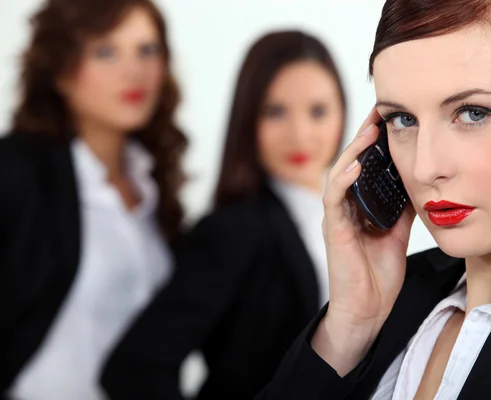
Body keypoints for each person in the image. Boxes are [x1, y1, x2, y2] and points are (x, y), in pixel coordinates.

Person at [254, 0, 491, 399]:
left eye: (472, 113)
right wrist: (350, 326)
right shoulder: (398, 301)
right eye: (402, 119)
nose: (423, 167)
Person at [101, 30, 346, 399]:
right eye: (275, 111)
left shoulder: (361, 222)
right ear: (248, 119)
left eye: (318, 111)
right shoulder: (233, 231)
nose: (300, 133)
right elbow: (135, 368)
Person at [0, 0, 187, 399]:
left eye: (147, 50)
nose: (134, 71)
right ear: (62, 72)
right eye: (105, 51)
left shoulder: (152, 183)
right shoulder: (16, 172)